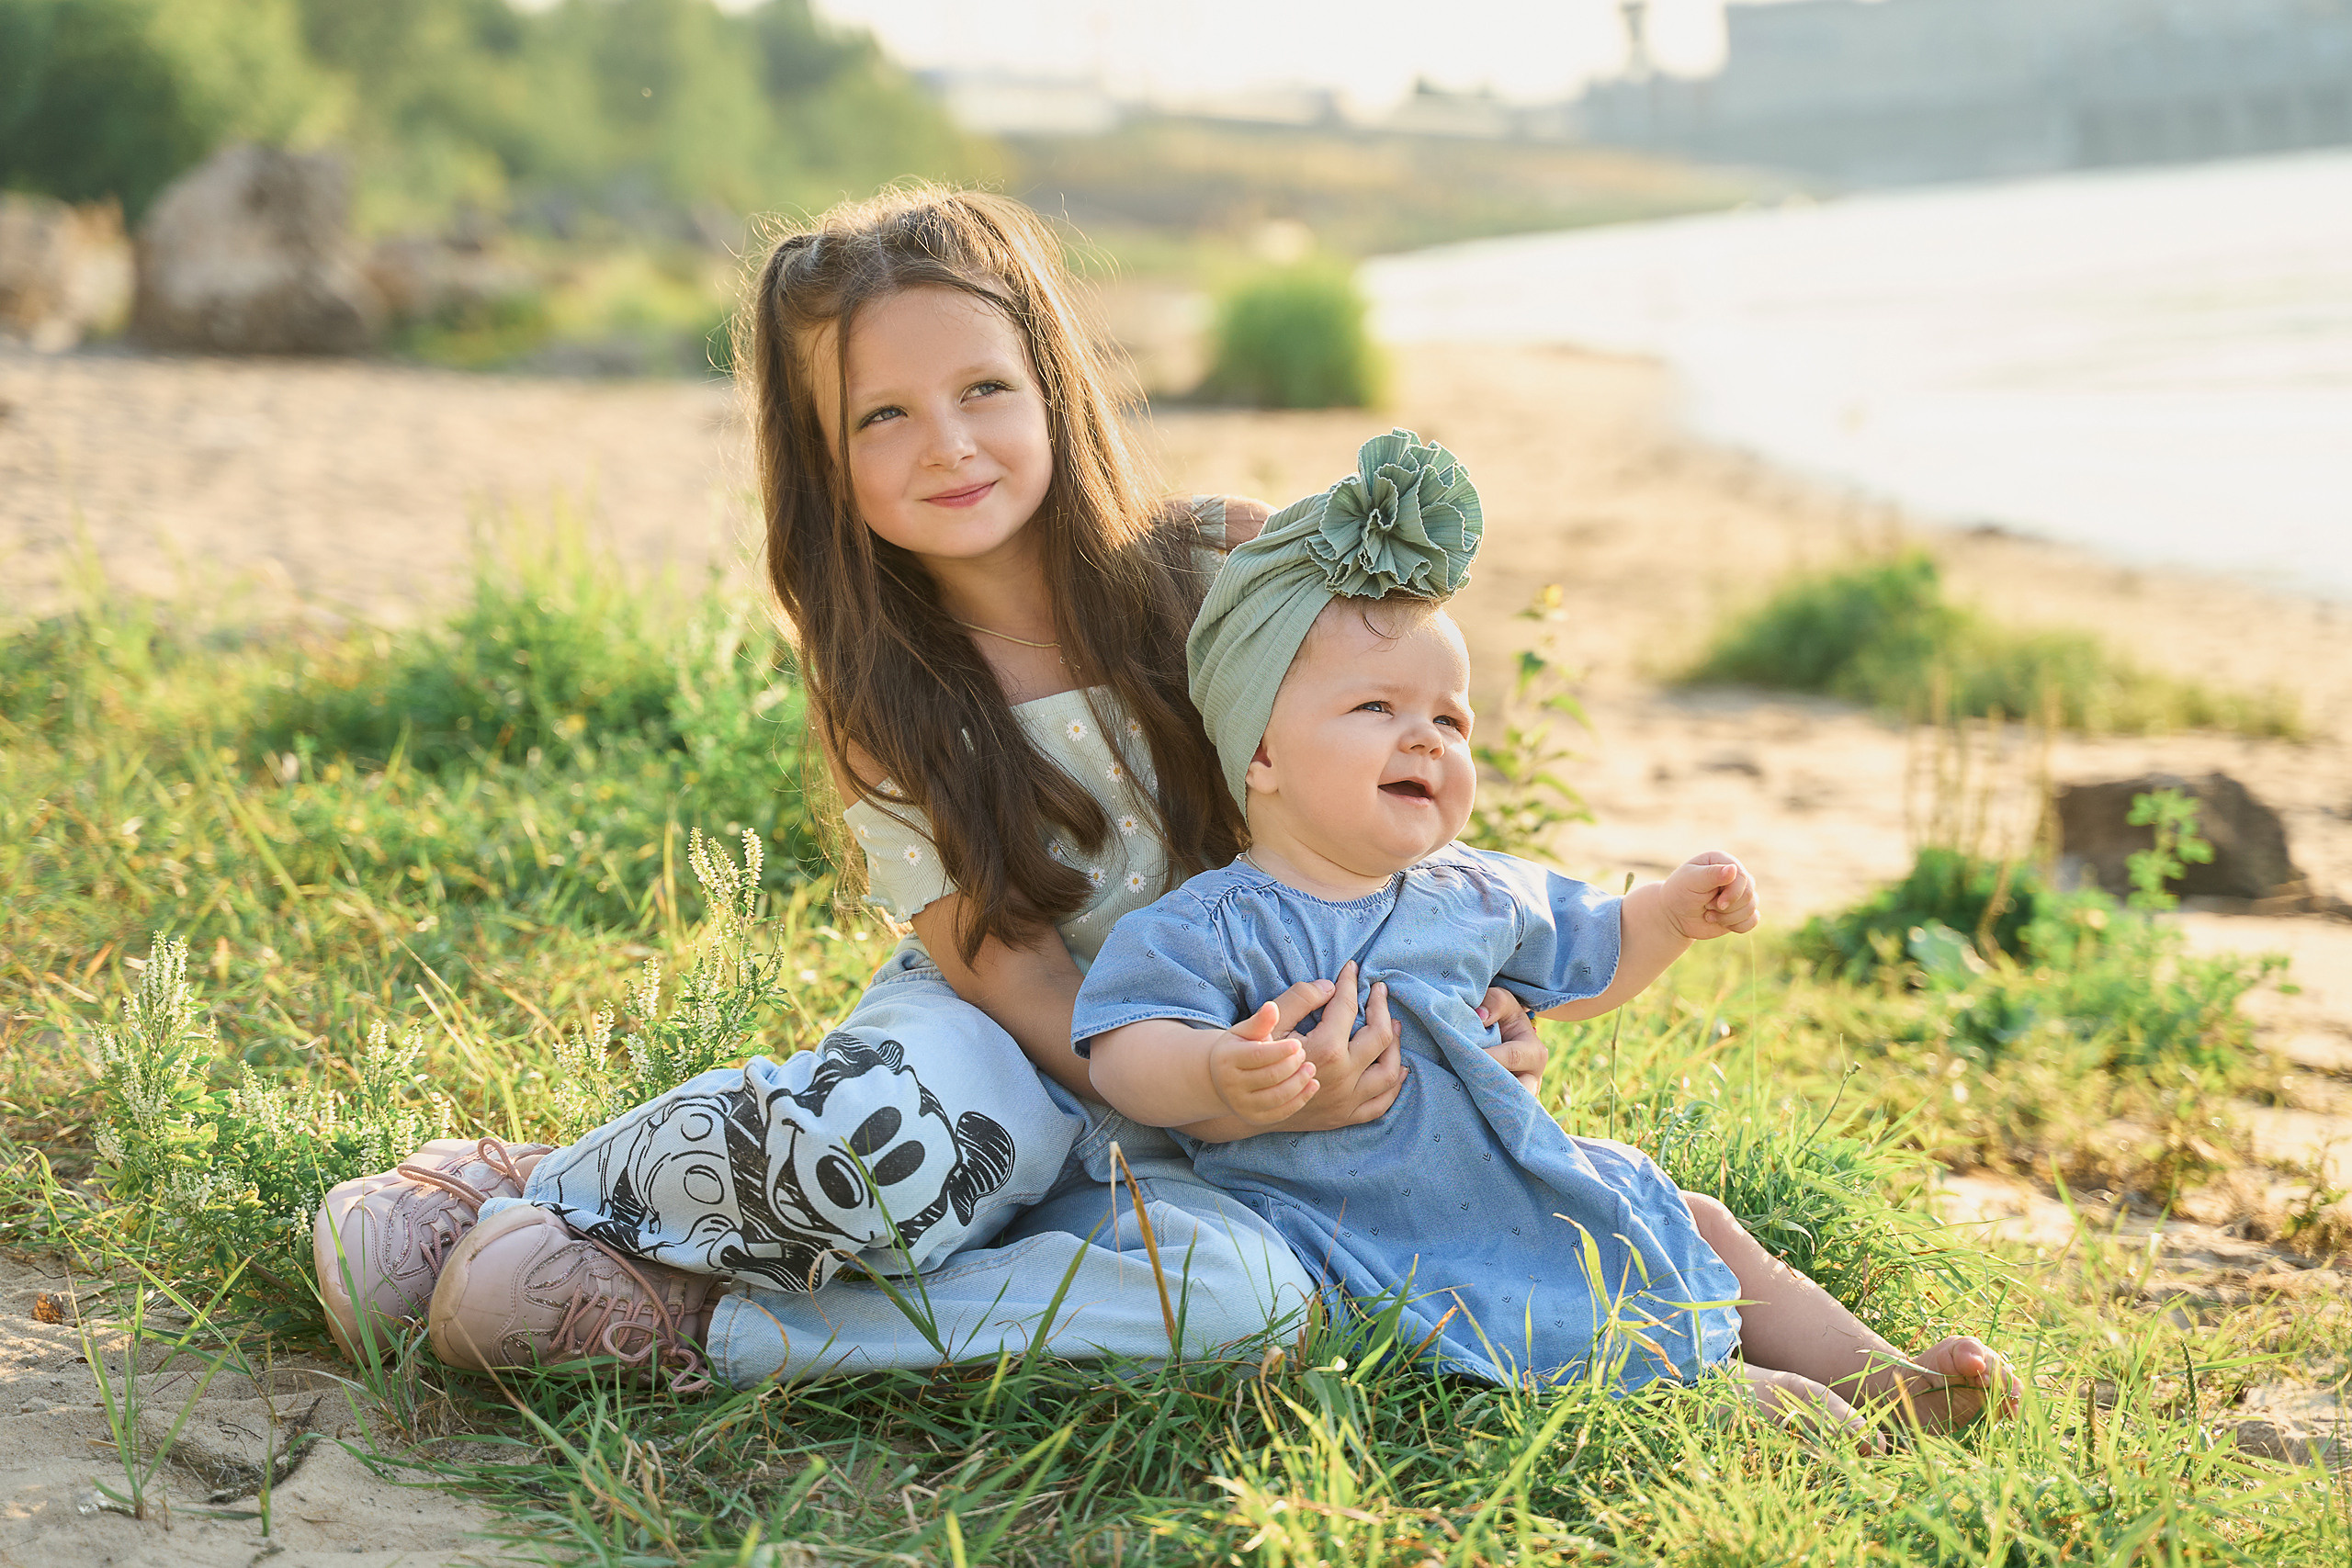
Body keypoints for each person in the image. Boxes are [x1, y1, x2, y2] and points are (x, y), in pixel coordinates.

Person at [311, 188, 1551, 1391]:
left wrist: (1449, 991)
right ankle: (542, 1186)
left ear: (1051, 387)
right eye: (882, 416)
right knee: (889, 1157)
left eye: (983, 390)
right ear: (824, 460)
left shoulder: (1222, 564)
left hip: (1225, 1085)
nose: (948, 443)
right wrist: (1198, 1079)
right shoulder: (890, 698)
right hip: (1008, 1041)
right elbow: (1011, 975)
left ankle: (717, 1323)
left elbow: (1393, 783)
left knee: (1247, 1301)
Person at [1075, 430, 2019, 1436]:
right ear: (1260, 753)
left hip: (1517, 1181)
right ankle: (1713, 1395)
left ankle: (1885, 1377)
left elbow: (1591, 955)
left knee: (1697, 1223)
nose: (1424, 738)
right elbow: (1123, 1049)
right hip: (1370, 1234)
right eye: (1375, 706)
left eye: (1451, 719)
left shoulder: (1471, 889)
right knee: (1559, 1311)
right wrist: (1218, 1072)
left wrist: (1664, 914)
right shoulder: (1216, 921)